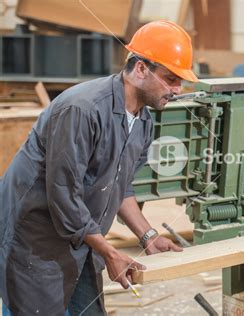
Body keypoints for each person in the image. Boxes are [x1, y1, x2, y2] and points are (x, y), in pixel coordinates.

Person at [0, 20, 199, 315]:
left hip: (82, 235)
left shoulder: (143, 121)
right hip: (35, 237)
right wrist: (109, 251)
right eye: (170, 78)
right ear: (141, 69)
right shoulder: (82, 109)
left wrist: (149, 236)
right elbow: (64, 195)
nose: (177, 89)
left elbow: (121, 187)